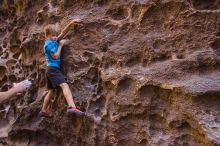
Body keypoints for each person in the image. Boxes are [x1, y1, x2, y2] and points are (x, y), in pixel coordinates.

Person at [39, 20, 84, 118]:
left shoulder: (53, 41)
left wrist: (71, 24)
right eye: (52, 35)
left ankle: (43, 110)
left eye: (55, 35)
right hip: (53, 69)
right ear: (47, 36)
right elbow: (55, 56)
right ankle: (72, 106)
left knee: (51, 91)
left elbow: (63, 33)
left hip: (50, 70)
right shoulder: (48, 44)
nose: (55, 37)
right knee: (64, 85)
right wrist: (60, 46)